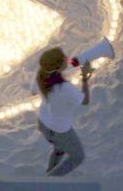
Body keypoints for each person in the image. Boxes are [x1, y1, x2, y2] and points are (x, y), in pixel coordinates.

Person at [36, 47, 89, 176]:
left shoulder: (40, 75)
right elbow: (85, 101)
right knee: (78, 157)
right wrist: (85, 78)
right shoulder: (65, 88)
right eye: (63, 58)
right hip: (60, 130)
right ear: (58, 67)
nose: (67, 58)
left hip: (43, 123)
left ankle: (50, 171)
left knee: (59, 149)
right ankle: (51, 179)